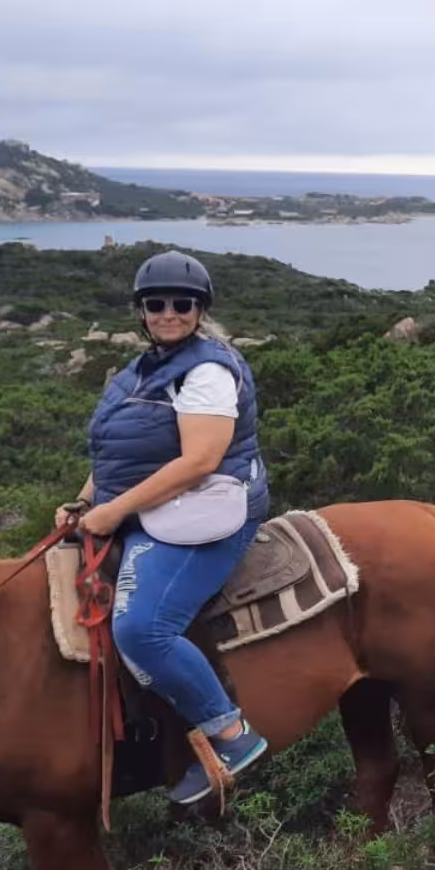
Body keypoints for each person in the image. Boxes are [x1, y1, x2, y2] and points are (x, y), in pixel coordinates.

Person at [55, 249, 273, 805]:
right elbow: (123, 453)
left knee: (141, 628)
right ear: (142, 311)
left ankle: (229, 734)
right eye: (157, 304)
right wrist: (84, 502)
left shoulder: (205, 371)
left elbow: (200, 460)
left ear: (199, 310)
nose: (169, 313)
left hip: (208, 504)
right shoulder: (143, 369)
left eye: (183, 303)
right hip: (159, 500)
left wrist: (112, 512)